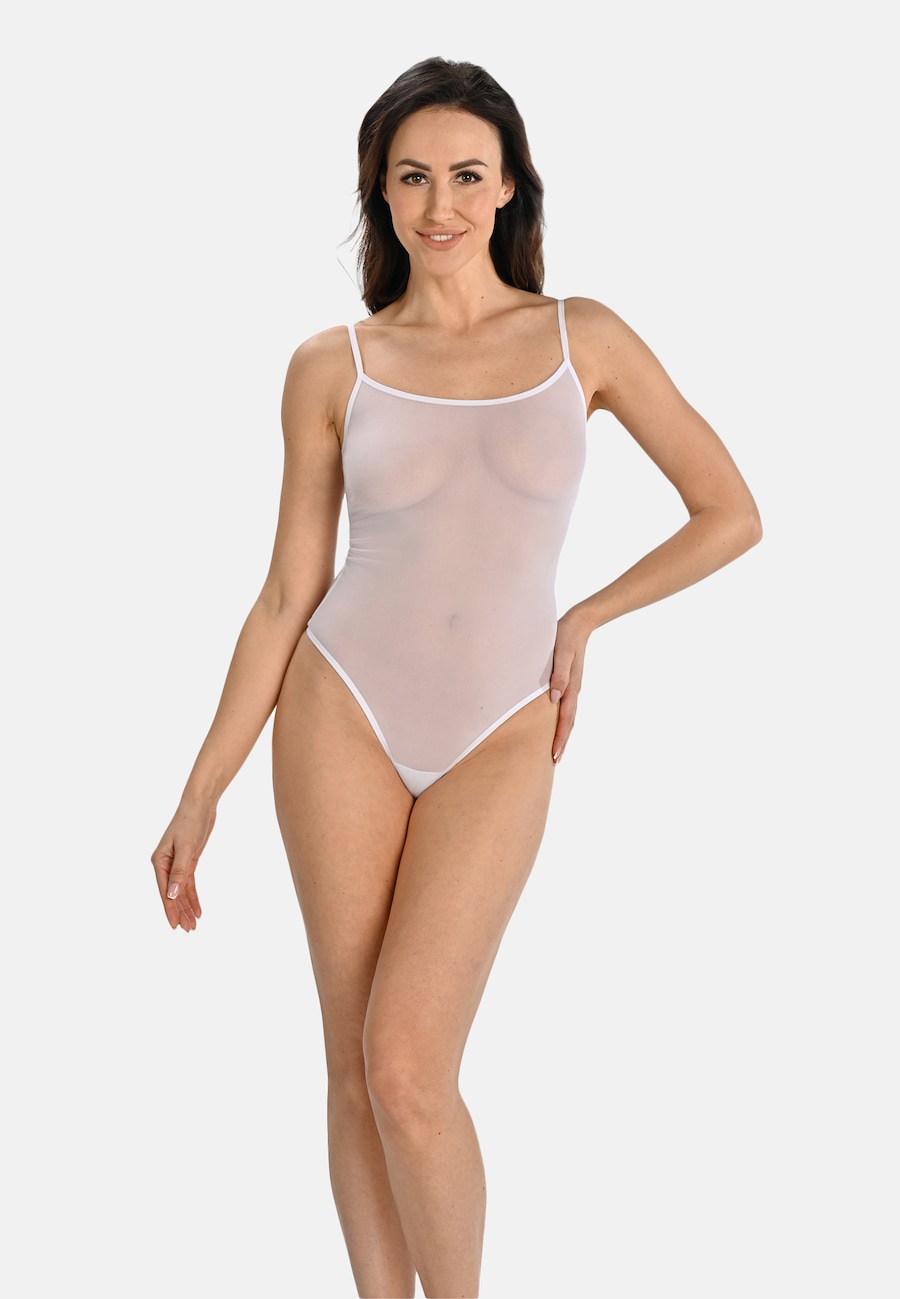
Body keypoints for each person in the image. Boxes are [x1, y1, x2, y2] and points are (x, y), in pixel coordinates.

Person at [151, 56, 762, 1299]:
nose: (441, 204)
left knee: (410, 1063)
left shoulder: (582, 338)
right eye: (413, 176)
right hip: (340, 708)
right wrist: (201, 789)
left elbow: (730, 511)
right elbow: (285, 595)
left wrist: (588, 616)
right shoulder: (333, 364)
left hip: (502, 723)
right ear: (379, 192)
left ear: (511, 186)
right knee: (354, 1067)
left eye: (468, 175)